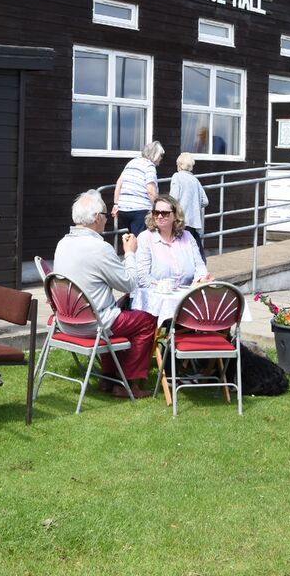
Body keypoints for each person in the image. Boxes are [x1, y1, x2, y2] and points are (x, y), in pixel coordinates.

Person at [53, 190, 154, 399]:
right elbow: (128, 284)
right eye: (106, 216)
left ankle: (108, 378)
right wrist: (130, 253)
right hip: (93, 325)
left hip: (66, 321)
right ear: (97, 218)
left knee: (117, 310)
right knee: (146, 321)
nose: (107, 220)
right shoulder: (99, 248)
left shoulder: (63, 243)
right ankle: (128, 384)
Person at [134, 194, 209, 311]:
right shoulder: (145, 238)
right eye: (156, 212)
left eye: (165, 213)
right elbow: (142, 277)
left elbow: (200, 267)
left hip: (186, 300)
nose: (159, 216)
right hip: (155, 305)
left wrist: (199, 281)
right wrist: (162, 287)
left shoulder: (187, 236)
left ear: (175, 216)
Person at [112, 141, 164, 236]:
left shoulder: (131, 162)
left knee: (133, 238)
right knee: (142, 241)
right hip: (140, 210)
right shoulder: (149, 166)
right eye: (161, 156)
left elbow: (119, 184)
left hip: (124, 209)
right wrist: (158, 209)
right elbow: (151, 190)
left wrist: (116, 204)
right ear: (155, 155)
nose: (161, 159)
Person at [169, 153, 209, 260]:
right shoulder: (195, 180)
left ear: (180, 165)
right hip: (193, 222)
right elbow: (205, 201)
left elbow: (173, 198)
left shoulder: (177, 177)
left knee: (179, 251)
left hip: (180, 219)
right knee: (192, 250)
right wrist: (194, 205)